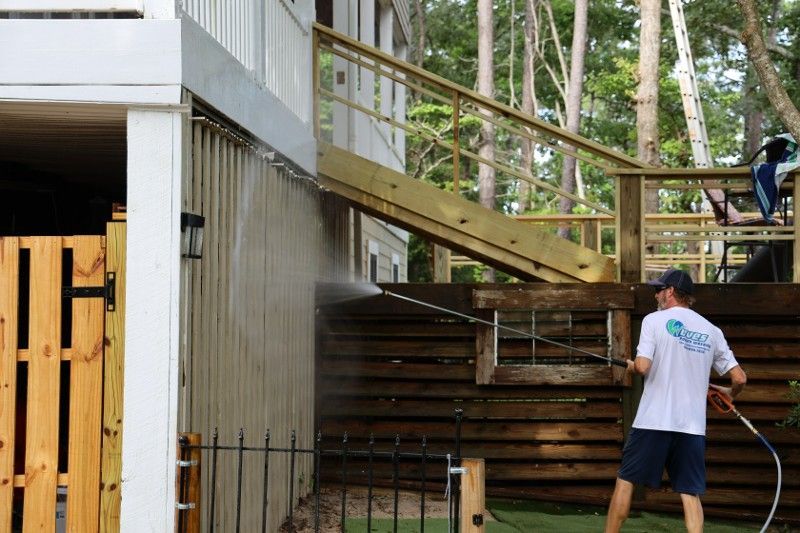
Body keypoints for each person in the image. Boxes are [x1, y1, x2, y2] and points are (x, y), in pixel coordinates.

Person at [604, 268, 747, 533]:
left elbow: (644, 367)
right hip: (691, 427)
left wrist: (633, 366)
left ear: (670, 292)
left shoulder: (653, 321)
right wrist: (729, 394)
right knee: (690, 494)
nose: (656, 294)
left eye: (658, 289)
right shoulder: (711, 330)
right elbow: (739, 378)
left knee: (625, 481)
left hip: (653, 422)